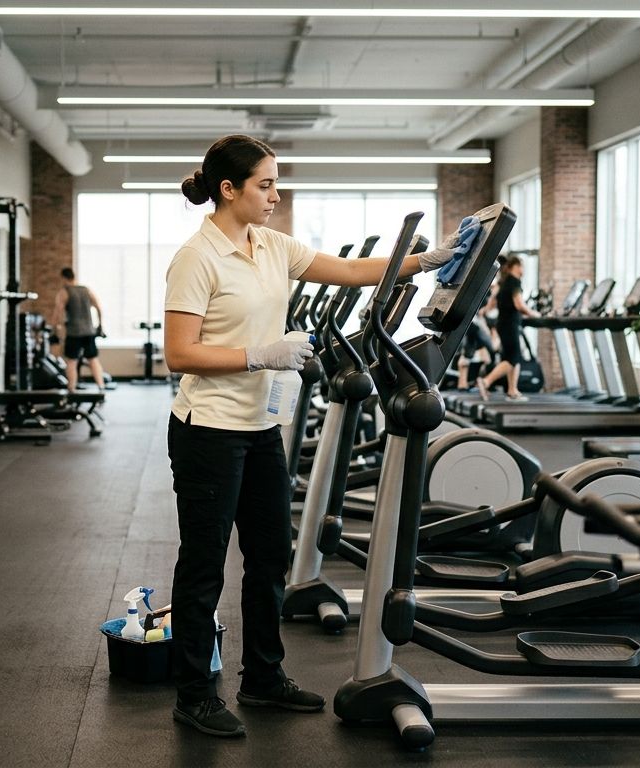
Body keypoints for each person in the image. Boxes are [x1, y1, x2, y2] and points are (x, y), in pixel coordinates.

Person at [162, 134, 482, 738]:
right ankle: (195, 693)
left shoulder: (271, 245)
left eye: (276, 184)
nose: (275, 196)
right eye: (265, 185)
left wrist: (425, 260)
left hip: (259, 428)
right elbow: (179, 354)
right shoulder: (197, 256)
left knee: (269, 558)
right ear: (228, 190)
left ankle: (262, 678)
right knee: (204, 567)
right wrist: (259, 353)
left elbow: (353, 271)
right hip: (208, 430)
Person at [476, 255, 538, 401]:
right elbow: (519, 305)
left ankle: (512, 390)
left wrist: (484, 311)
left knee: (512, 358)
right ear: (515, 267)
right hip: (510, 324)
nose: (523, 269)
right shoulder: (515, 281)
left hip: (503, 324)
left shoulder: (503, 282)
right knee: (512, 358)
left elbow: (493, 302)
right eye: (521, 266)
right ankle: (486, 381)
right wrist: (534, 313)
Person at [52, 267, 106, 391]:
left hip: (74, 332)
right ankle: (101, 386)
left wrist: (55, 328)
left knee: (71, 361)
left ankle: (71, 389)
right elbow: (98, 307)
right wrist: (100, 325)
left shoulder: (64, 292)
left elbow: (58, 311)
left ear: (64, 278)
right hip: (89, 331)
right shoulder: (86, 290)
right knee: (93, 360)